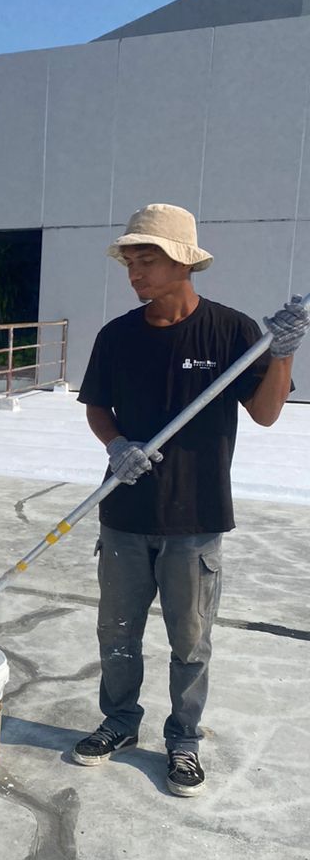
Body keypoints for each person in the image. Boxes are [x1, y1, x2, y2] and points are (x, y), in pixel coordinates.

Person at [73, 203, 308, 796]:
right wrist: (117, 445)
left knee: (191, 641)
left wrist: (281, 353)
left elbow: (267, 413)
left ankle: (184, 738)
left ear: (183, 262)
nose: (135, 273)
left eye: (146, 260)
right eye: (130, 262)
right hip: (124, 514)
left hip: (196, 519)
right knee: (117, 633)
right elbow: (97, 406)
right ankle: (119, 722)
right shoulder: (117, 335)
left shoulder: (231, 331)